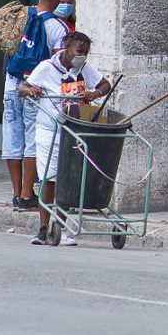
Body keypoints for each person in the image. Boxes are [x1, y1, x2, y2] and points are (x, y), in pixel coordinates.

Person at [19, 31, 111, 245]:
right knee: (48, 179)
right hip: (49, 131)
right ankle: (43, 229)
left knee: (67, 180)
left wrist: (94, 94)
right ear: (67, 47)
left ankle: (60, 226)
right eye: (79, 51)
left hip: (73, 131)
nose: (82, 56)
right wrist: (31, 89)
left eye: (86, 53)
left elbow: (104, 84)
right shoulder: (46, 68)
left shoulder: (84, 68)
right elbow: (21, 88)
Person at [2, 0, 67, 211]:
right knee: (32, 142)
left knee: (12, 141)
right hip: (35, 89)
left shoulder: (20, 17)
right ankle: (28, 195)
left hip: (11, 86)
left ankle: (16, 194)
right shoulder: (57, 27)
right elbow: (60, 64)